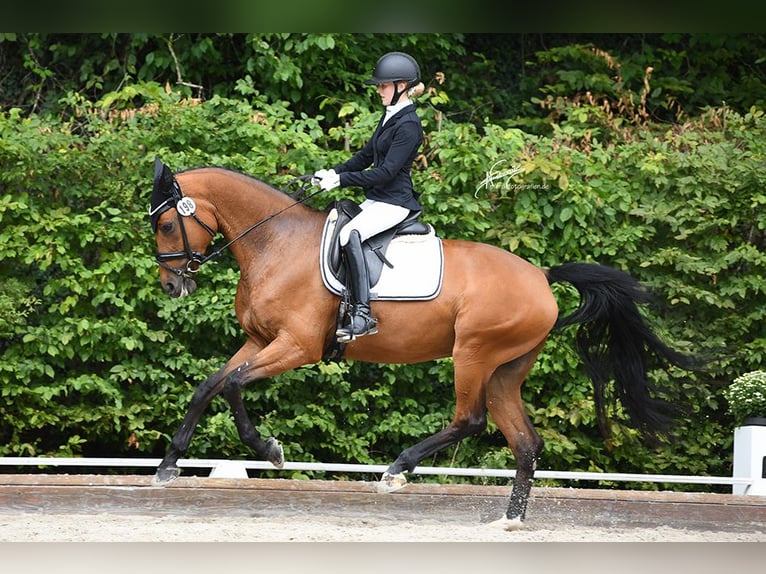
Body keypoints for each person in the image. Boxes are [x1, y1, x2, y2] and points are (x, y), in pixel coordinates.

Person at [314, 51, 425, 343]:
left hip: (395, 202)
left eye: (383, 86)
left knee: (350, 233)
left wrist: (341, 180)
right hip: (378, 199)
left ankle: (363, 314)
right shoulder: (390, 116)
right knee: (334, 226)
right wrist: (331, 172)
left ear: (401, 85)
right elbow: (365, 157)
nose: (378, 91)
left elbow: (386, 172)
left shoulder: (409, 125)